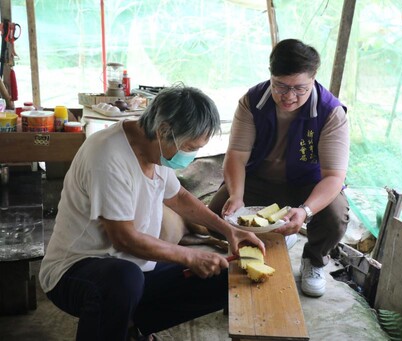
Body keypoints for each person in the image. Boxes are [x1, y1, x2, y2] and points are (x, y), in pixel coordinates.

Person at [39, 84, 265, 340]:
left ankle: (130, 324)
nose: (192, 156)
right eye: (190, 148)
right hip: (75, 271)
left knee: (223, 278)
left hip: (135, 269)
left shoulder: (156, 150)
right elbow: (124, 238)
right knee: (123, 280)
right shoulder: (107, 156)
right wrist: (189, 257)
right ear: (163, 130)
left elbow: (178, 197)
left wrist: (229, 230)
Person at [208, 39, 350, 298]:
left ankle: (314, 261)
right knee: (216, 214)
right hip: (259, 179)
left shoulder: (330, 112)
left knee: (334, 216)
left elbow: (334, 176)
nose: (289, 96)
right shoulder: (251, 101)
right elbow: (236, 156)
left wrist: (305, 211)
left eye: (300, 89)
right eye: (281, 86)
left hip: (307, 185)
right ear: (271, 75)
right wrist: (236, 195)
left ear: (314, 78)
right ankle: (260, 240)